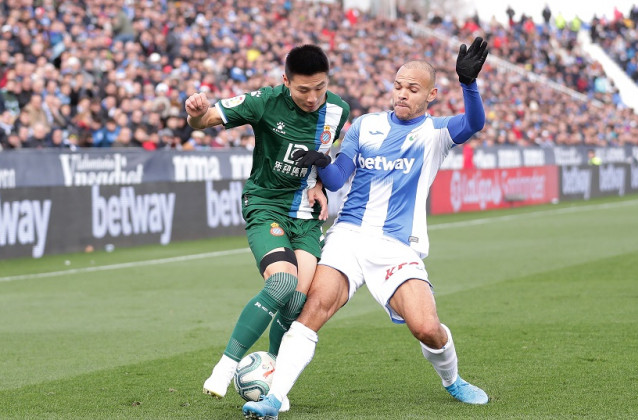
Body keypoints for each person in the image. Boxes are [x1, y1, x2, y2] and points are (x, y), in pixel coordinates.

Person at [243, 37, 491, 419]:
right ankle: (273, 400)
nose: (402, 94)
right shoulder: (364, 126)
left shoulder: (436, 133)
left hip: (397, 246)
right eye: (398, 86)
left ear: (431, 95)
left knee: (427, 328)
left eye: (413, 89)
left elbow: (474, 123)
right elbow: (339, 179)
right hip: (348, 238)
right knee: (313, 311)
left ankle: (452, 380)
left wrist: (469, 84)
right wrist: (323, 163)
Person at [184, 44, 350, 408]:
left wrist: (320, 184)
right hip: (265, 205)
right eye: (303, 89)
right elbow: (203, 121)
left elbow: (325, 155)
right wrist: (195, 113)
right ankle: (225, 368)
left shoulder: (339, 110)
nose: (312, 98)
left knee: (295, 303)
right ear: (285, 81)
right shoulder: (264, 101)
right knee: (281, 282)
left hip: (305, 217)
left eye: (319, 88)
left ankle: (274, 382)